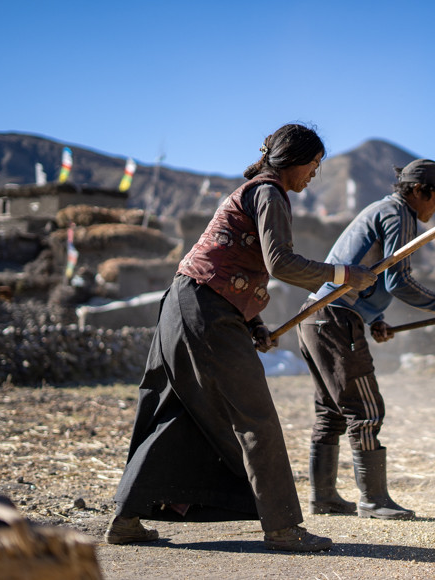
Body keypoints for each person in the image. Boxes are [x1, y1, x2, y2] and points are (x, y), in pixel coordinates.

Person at [105, 123, 377, 552]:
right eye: (314, 164)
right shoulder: (269, 192)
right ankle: (283, 527)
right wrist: (345, 275)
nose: (314, 174)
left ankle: (126, 519)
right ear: (293, 160)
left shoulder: (252, 192)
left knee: (177, 412)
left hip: (184, 304)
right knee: (254, 415)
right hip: (204, 309)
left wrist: (253, 325)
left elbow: (232, 263)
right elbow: (281, 262)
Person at [297, 159, 435, 520]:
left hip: (314, 317)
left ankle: (324, 498)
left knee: (331, 411)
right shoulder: (400, 214)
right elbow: (398, 280)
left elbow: (366, 274)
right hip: (334, 318)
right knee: (365, 409)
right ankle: (373, 500)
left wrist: (373, 317)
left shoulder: (382, 209)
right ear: (419, 190)